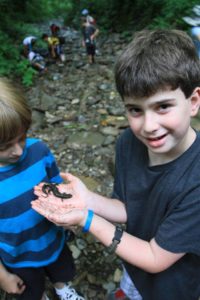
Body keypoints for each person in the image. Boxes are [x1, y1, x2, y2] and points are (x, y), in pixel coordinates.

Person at [32, 29, 200, 300]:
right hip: (133, 266)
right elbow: (128, 208)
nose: (149, 126)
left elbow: (155, 257)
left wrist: (87, 219)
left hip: (173, 286)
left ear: (193, 102)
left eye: (163, 107)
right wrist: (87, 200)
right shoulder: (128, 143)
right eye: (135, 109)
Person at [0, 78, 84, 300]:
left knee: (62, 268)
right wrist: (2, 276)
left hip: (52, 237)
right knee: (30, 288)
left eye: (22, 138)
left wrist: (68, 214)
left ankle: (62, 288)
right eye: (4, 146)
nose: (18, 151)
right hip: (18, 254)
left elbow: (56, 186)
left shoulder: (39, 151)